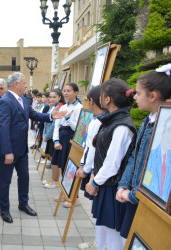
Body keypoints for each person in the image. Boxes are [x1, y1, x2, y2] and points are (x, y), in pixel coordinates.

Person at [0, 72, 66, 223]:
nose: (26, 85)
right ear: (16, 84)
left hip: (21, 149)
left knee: (24, 177)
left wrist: (52, 116)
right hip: (9, 151)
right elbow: (3, 129)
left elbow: (33, 114)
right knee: (5, 181)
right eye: (24, 83)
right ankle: (4, 209)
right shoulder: (5, 101)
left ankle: (23, 203)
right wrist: (8, 151)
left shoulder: (22, 100)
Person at [116, 70, 171, 240]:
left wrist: (132, 195)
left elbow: (160, 171)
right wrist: (124, 185)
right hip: (135, 195)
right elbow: (135, 155)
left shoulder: (165, 125)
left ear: (152, 96)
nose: (134, 97)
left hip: (148, 200)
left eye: (138, 93)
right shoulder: (149, 120)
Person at [85, 78, 137, 250]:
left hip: (113, 187)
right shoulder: (112, 120)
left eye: (101, 95)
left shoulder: (121, 126)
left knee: (114, 235)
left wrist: (94, 182)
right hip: (106, 183)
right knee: (105, 227)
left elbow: (112, 164)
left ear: (107, 99)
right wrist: (94, 173)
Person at [75, 86, 105, 250]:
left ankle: (101, 243)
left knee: (99, 211)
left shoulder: (98, 122)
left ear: (92, 101)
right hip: (94, 169)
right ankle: (100, 241)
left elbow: (93, 149)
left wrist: (86, 170)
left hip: (97, 172)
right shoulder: (98, 119)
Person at [45, 83, 82, 192]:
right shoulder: (64, 107)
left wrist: (68, 118)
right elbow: (57, 126)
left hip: (72, 139)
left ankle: (73, 196)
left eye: (69, 91)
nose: (66, 93)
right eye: (64, 90)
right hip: (61, 139)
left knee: (70, 167)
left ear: (76, 92)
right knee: (62, 166)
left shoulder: (79, 108)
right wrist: (56, 140)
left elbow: (77, 128)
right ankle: (64, 193)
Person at [41, 89, 65, 180]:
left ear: (59, 97)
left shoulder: (60, 107)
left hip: (53, 136)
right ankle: (53, 178)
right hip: (48, 135)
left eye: (54, 97)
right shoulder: (52, 107)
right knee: (51, 158)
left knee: (54, 159)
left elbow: (54, 125)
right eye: (50, 97)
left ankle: (55, 180)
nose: (52, 99)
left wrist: (46, 136)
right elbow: (46, 121)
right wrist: (44, 134)